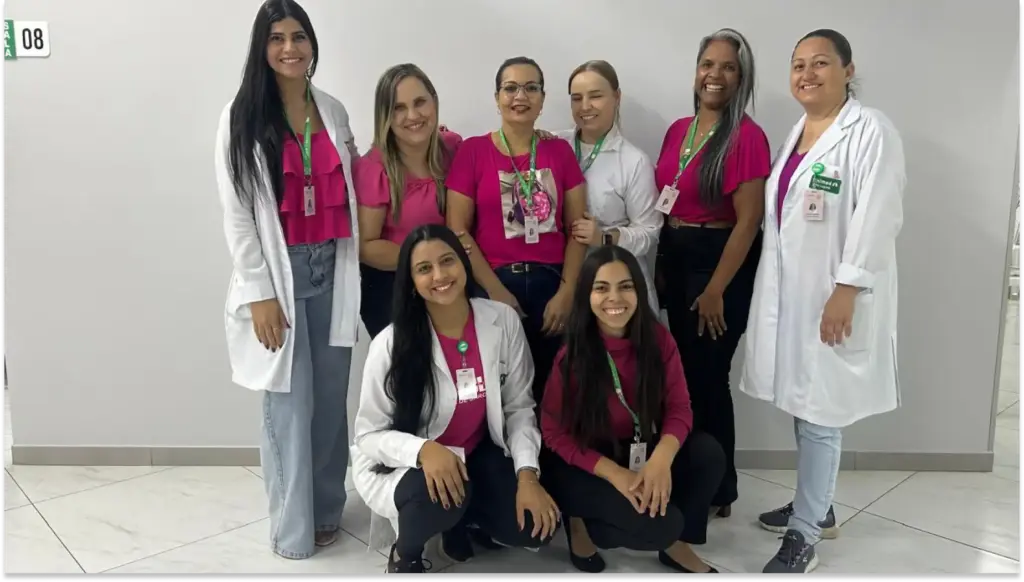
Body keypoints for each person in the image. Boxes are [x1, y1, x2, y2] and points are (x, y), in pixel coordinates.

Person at [740, 29, 906, 575]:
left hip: (835, 296)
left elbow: (879, 217)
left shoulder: (870, 131)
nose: (806, 74)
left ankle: (805, 534)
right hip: (792, 298)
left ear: (848, 69)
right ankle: (819, 502)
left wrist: (847, 289)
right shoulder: (798, 133)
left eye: (820, 63)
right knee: (802, 400)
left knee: (821, 412)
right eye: (797, 66)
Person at [214, 0, 360, 560]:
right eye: (277, 38)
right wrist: (259, 293)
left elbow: (349, 180)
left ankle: (327, 509)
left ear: (312, 43)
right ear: (262, 47)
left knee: (328, 400)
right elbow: (237, 214)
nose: (290, 47)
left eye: (299, 36)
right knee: (287, 406)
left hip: (331, 267)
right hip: (280, 275)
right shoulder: (241, 116)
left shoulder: (333, 109)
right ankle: (291, 531)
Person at [351, 224, 560, 574]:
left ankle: (462, 519)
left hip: (476, 452)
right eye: (424, 269)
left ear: (464, 263)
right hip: (414, 465)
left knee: (535, 530)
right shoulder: (390, 344)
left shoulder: (502, 320)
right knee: (438, 499)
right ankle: (407, 553)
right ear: (412, 283)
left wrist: (528, 477)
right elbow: (367, 435)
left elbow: (519, 408)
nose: (439, 275)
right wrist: (424, 451)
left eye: (447, 261)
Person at [541, 245, 725, 575]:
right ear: (587, 295)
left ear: (639, 291)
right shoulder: (573, 353)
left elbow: (681, 408)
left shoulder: (659, 340)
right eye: (602, 288)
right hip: (586, 462)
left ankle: (676, 546)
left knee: (708, 454)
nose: (615, 298)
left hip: (637, 446)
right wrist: (615, 475)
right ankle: (581, 523)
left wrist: (661, 459)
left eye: (625, 286)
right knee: (656, 527)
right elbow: (553, 432)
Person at [653, 28, 769, 518]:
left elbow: (749, 221)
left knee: (707, 377)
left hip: (717, 261)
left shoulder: (746, 135)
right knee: (682, 376)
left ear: (741, 78)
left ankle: (719, 487)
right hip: (675, 256)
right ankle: (696, 475)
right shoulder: (679, 128)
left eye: (727, 67)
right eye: (708, 64)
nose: (714, 75)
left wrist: (717, 287)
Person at [447, 56, 589, 400]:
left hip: (553, 285)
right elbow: (457, 229)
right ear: (497, 98)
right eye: (510, 88)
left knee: (555, 390)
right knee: (500, 389)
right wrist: (495, 292)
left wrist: (568, 292)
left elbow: (578, 228)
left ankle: (550, 454)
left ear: (542, 98)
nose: (519, 96)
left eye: (531, 88)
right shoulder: (473, 151)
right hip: (492, 282)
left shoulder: (560, 151)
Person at [355, 63, 463, 338]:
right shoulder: (374, 169)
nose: (412, 115)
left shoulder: (453, 147)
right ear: (385, 116)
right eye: (398, 108)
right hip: (394, 288)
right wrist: (426, 264)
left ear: (435, 102)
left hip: (450, 282)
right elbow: (366, 247)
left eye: (419, 102)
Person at [555, 60, 662, 312]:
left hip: (616, 287)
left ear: (616, 97)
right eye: (576, 98)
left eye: (596, 96)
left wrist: (602, 237)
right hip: (562, 282)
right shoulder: (555, 145)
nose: (585, 106)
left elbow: (649, 232)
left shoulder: (633, 161)